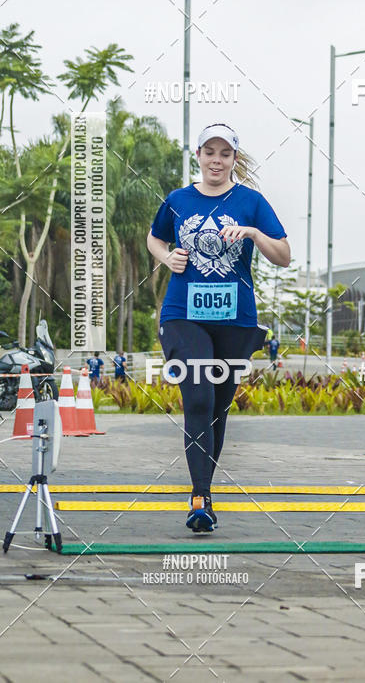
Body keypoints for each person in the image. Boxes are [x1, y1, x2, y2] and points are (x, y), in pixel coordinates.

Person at [147, 123, 290, 533]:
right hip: (182, 315)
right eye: (209, 151)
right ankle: (200, 498)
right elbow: (154, 238)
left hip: (234, 320)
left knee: (217, 409)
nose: (216, 160)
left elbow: (283, 254)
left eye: (224, 154)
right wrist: (166, 257)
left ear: (233, 159)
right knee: (197, 397)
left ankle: (204, 491)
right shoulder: (178, 200)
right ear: (198, 155)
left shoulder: (251, 202)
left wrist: (252, 232)